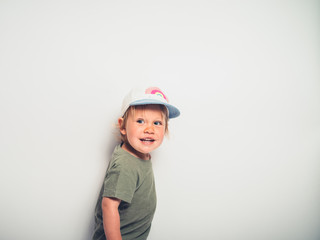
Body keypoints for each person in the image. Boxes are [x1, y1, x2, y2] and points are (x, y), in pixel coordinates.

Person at [92, 87, 180, 240]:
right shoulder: (126, 164)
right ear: (123, 126)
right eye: (140, 121)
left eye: (157, 123)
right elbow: (109, 206)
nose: (150, 129)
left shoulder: (139, 155)